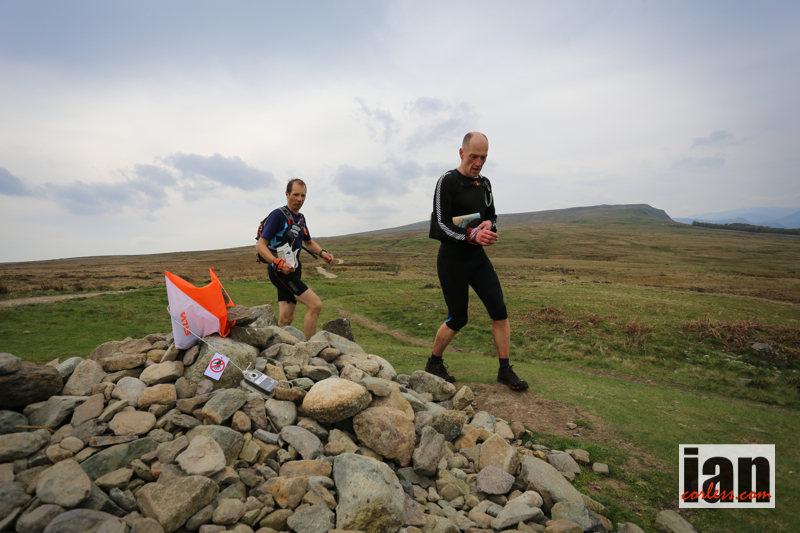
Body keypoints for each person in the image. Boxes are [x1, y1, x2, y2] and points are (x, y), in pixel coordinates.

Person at [426, 132, 528, 391]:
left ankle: (505, 370)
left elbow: (492, 215)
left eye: (484, 157)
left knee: (499, 311)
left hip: (477, 259)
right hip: (452, 260)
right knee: (458, 318)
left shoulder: (484, 184)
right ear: (461, 153)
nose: (478, 163)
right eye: (474, 156)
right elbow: (440, 226)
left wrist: (489, 225)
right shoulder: (447, 181)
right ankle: (434, 363)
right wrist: (470, 234)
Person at [256, 179, 334, 340]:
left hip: (294, 269)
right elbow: (260, 245)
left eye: (303, 196)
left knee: (286, 318)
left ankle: (276, 345)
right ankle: (311, 347)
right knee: (315, 304)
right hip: (280, 271)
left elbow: (308, 242)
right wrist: (277, 262)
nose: (299, 199)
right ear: (287, 194)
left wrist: (323, 253)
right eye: (296, 194)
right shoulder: (278, 215)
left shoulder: (300, 219)